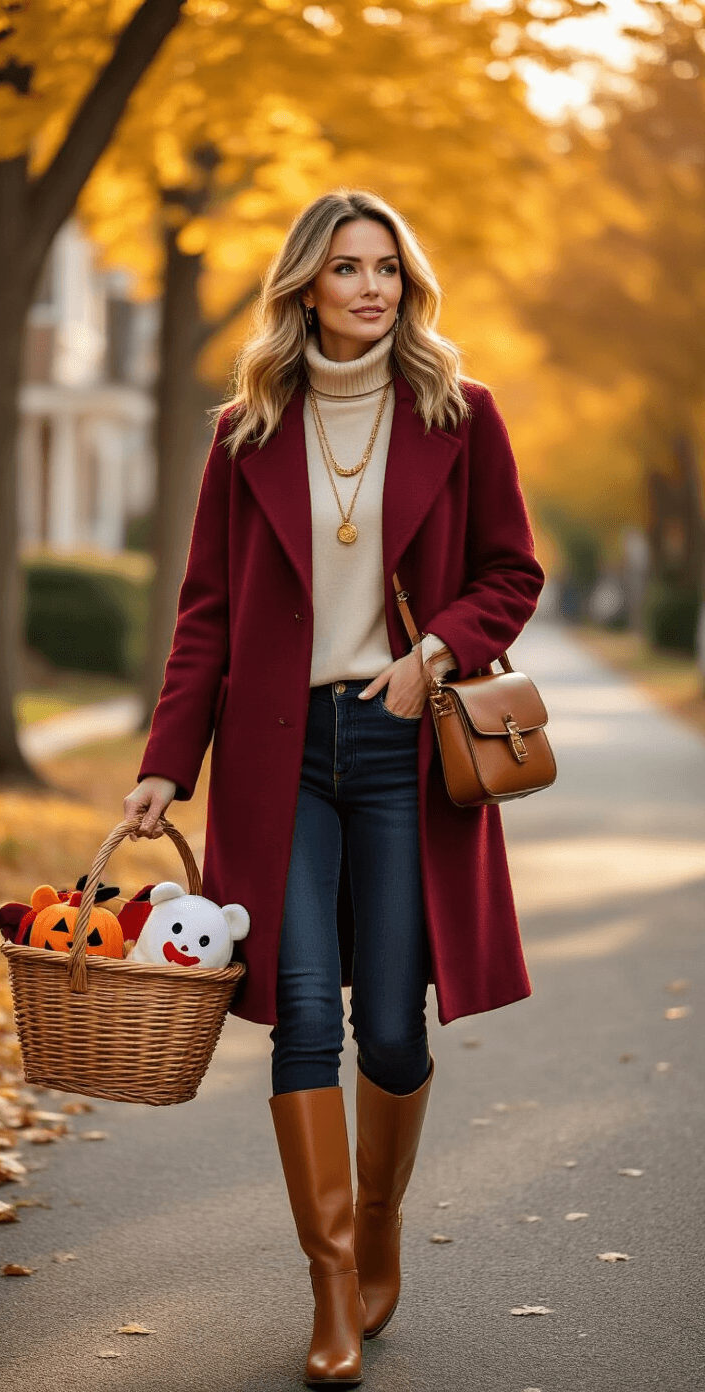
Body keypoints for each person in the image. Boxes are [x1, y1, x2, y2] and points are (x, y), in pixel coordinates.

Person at [123, 189, 545, 1388]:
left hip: (404, 744)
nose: (371, 288)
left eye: (389, 271)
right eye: (348, 268)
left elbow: (512, 570)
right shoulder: (244, 430)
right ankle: (331, 1286)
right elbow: (205, 613)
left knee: (396, 1027)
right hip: (277, 755)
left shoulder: (460, 415)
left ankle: (380, 1225)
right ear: (305, 283)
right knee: (305, 1013)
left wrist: (435, 654)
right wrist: (165, 763)